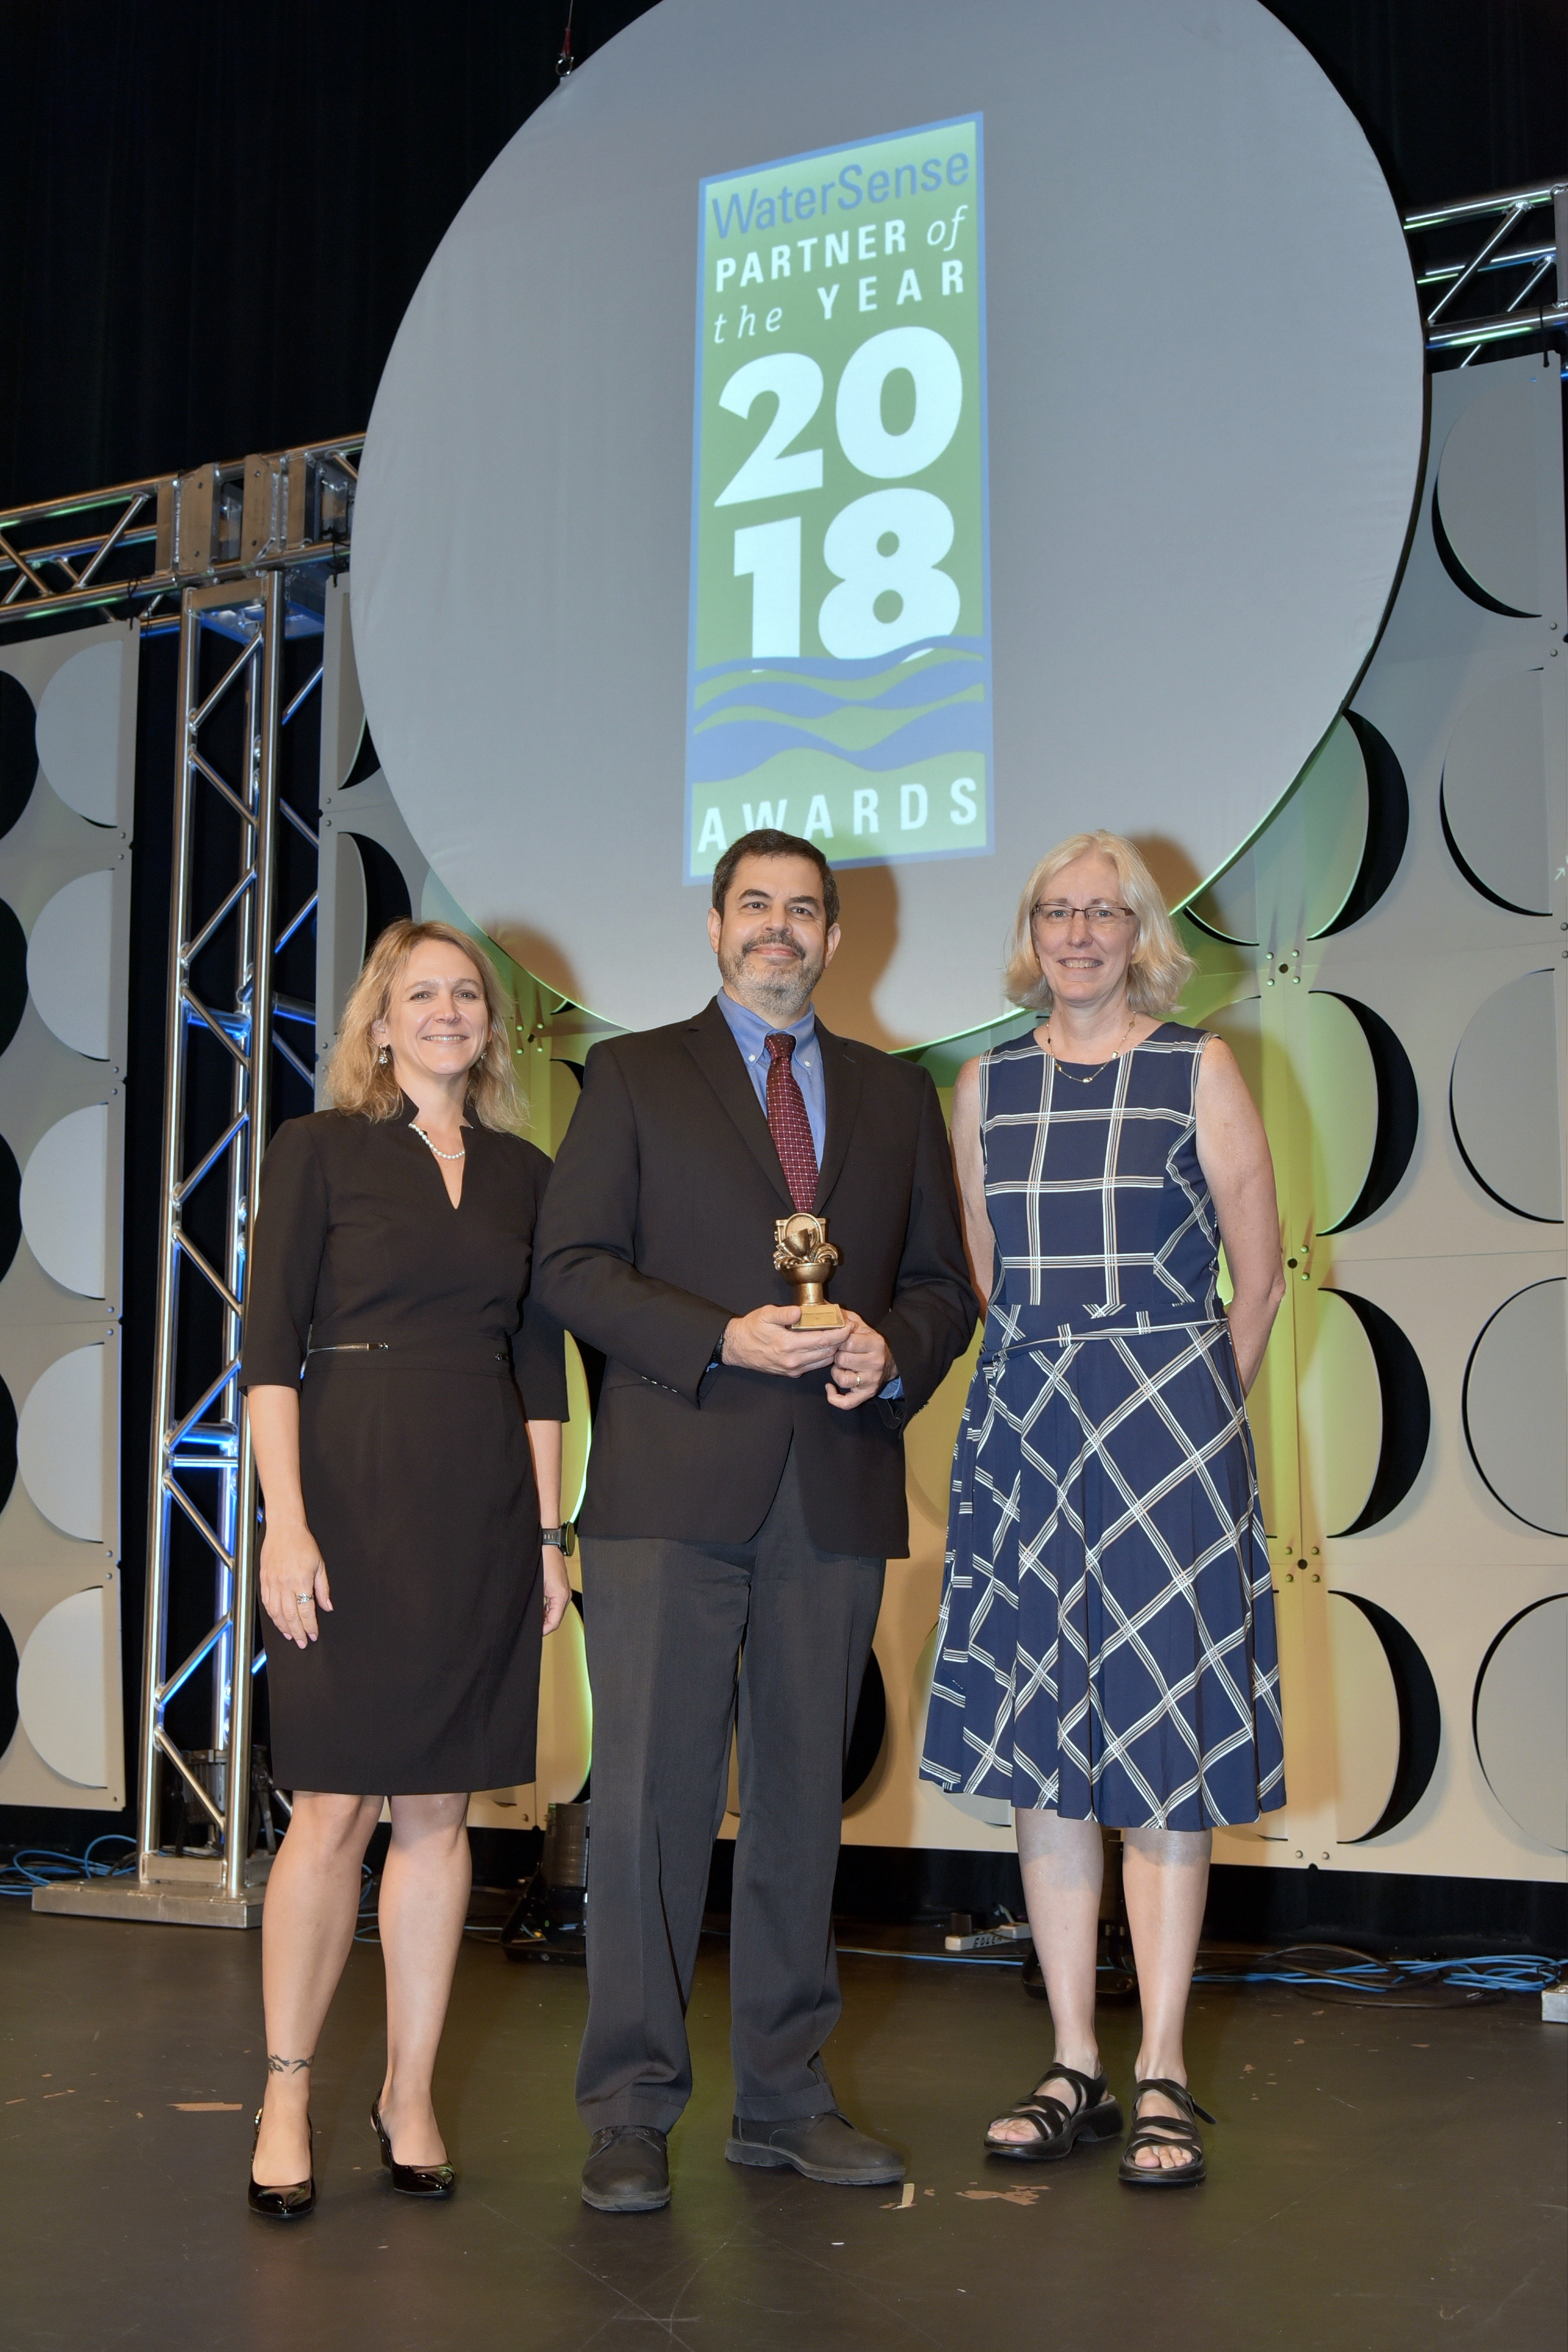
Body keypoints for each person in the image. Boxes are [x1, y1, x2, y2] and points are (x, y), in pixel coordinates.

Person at [533, 828, 976, 2214]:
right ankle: (628, 2110)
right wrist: (721, 1337)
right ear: (716, 927)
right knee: (650, 1809)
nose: (778, 931)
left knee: (801, 1805)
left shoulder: (899, 1097)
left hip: (833, 1483)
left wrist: (884, 1352)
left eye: (803, 912)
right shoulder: (633, 1074)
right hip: (672, 1483)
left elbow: (944, 1286)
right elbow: (570, 1270)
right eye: (755, 908)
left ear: (837, 941)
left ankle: (783, 2102)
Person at [921, 830, 1285, 2188]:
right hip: (1027, 1440)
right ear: (1034, 931)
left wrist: (1190, 1420)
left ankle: (1164, 2071)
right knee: (1047, 1763)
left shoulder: (1199, 1067)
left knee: (1163, 1761)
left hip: (1166, 1446)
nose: (1080, 932)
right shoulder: (987, 1087)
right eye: (1057, 910)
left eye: (1105, 912)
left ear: (1143, 933)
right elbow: (980, 1283)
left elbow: (1257, 1280)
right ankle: (1074, 2055)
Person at [239, 919, 570, 2219]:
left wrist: (549, 1538)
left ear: (489, 1026)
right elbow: (271, 1351)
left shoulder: (526, 1172)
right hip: (349, 1493)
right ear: (379, 1024)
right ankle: (284, 2089)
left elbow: (542, 1369)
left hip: (481, 1500)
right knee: (332, 1809)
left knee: (439, 1814)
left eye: (466, 995)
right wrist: (287, 1520)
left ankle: (409, 2089)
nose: (446, 1012)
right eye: (419, 994)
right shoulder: (317, 1150)